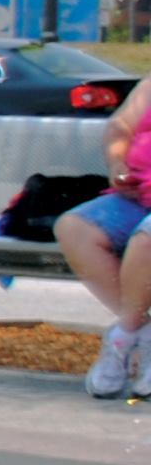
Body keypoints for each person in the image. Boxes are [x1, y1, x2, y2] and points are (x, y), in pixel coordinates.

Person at [68, 82, 151, 395]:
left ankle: (125, 335)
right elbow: (120, 126)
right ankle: (141, 331)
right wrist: (118, 165)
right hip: (138, 194)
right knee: (75, 228)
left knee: (146, 240)